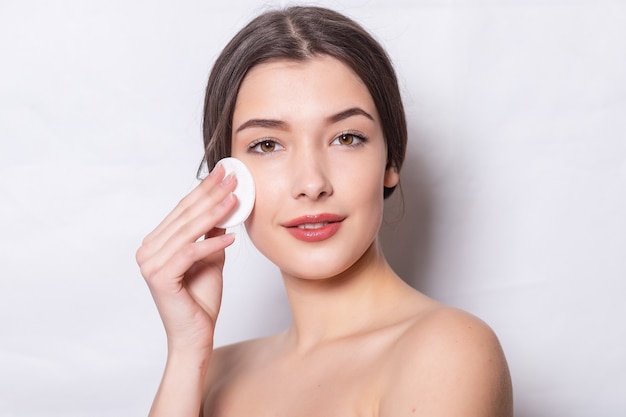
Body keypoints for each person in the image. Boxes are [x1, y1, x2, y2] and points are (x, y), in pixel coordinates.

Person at [136, 5, 513, 417]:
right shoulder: (210, 371)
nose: (312, 184)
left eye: (346, 138)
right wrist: (186, 351)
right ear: (226, 179)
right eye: (267, 145)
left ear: (391, 161)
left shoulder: (448, 350)